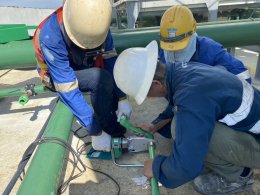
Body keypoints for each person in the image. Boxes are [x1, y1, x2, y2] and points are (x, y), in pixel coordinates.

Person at [113, 40, 260, 194]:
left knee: (183, 131)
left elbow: (187, 164)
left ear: (156, 83)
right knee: (185, 125)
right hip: (251, 130)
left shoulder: (192, 96)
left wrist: (157, 168)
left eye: (146, 93)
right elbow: (179, 105)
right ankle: (229, 163)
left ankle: (239, 176)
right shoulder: (182, 71)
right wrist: (155, 126)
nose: (148, 98)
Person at [33, 0, 132, 151]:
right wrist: (95, 131)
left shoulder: (98, 24)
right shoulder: (50, 34)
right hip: (57, 74)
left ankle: (113, 127)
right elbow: (67, 86)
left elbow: (111, 63)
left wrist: (122, 97)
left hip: (81, 63)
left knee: (107, 82)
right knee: (99, 78)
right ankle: (108, 132)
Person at [147, 5, 252, 139]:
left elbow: (243, 78)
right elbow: (177, 98)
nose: (173, 52)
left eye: (179, 45)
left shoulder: (210, 51)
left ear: (192, 32)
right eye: (169, 45)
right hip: (182, 102)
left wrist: (216, 86)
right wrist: (155, 124)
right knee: (176, 128)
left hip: (210, 105)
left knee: (189, 133)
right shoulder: (163, 53)